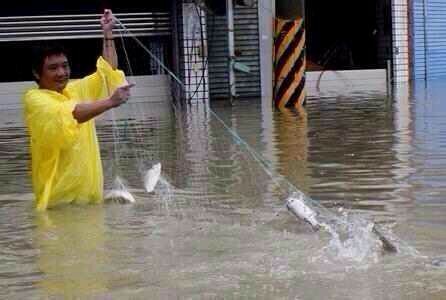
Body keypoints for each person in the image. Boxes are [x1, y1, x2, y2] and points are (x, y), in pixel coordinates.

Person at [23, 9, 134, 211]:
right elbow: (71, 114)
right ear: (36, 73)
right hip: (59, 206)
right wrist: (110, 102)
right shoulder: (35, 100)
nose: (61, 72)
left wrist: (108, 34)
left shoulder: (75, 90)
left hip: (90, 202)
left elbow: (106, 73)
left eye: (65, 66)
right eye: (53, 68)